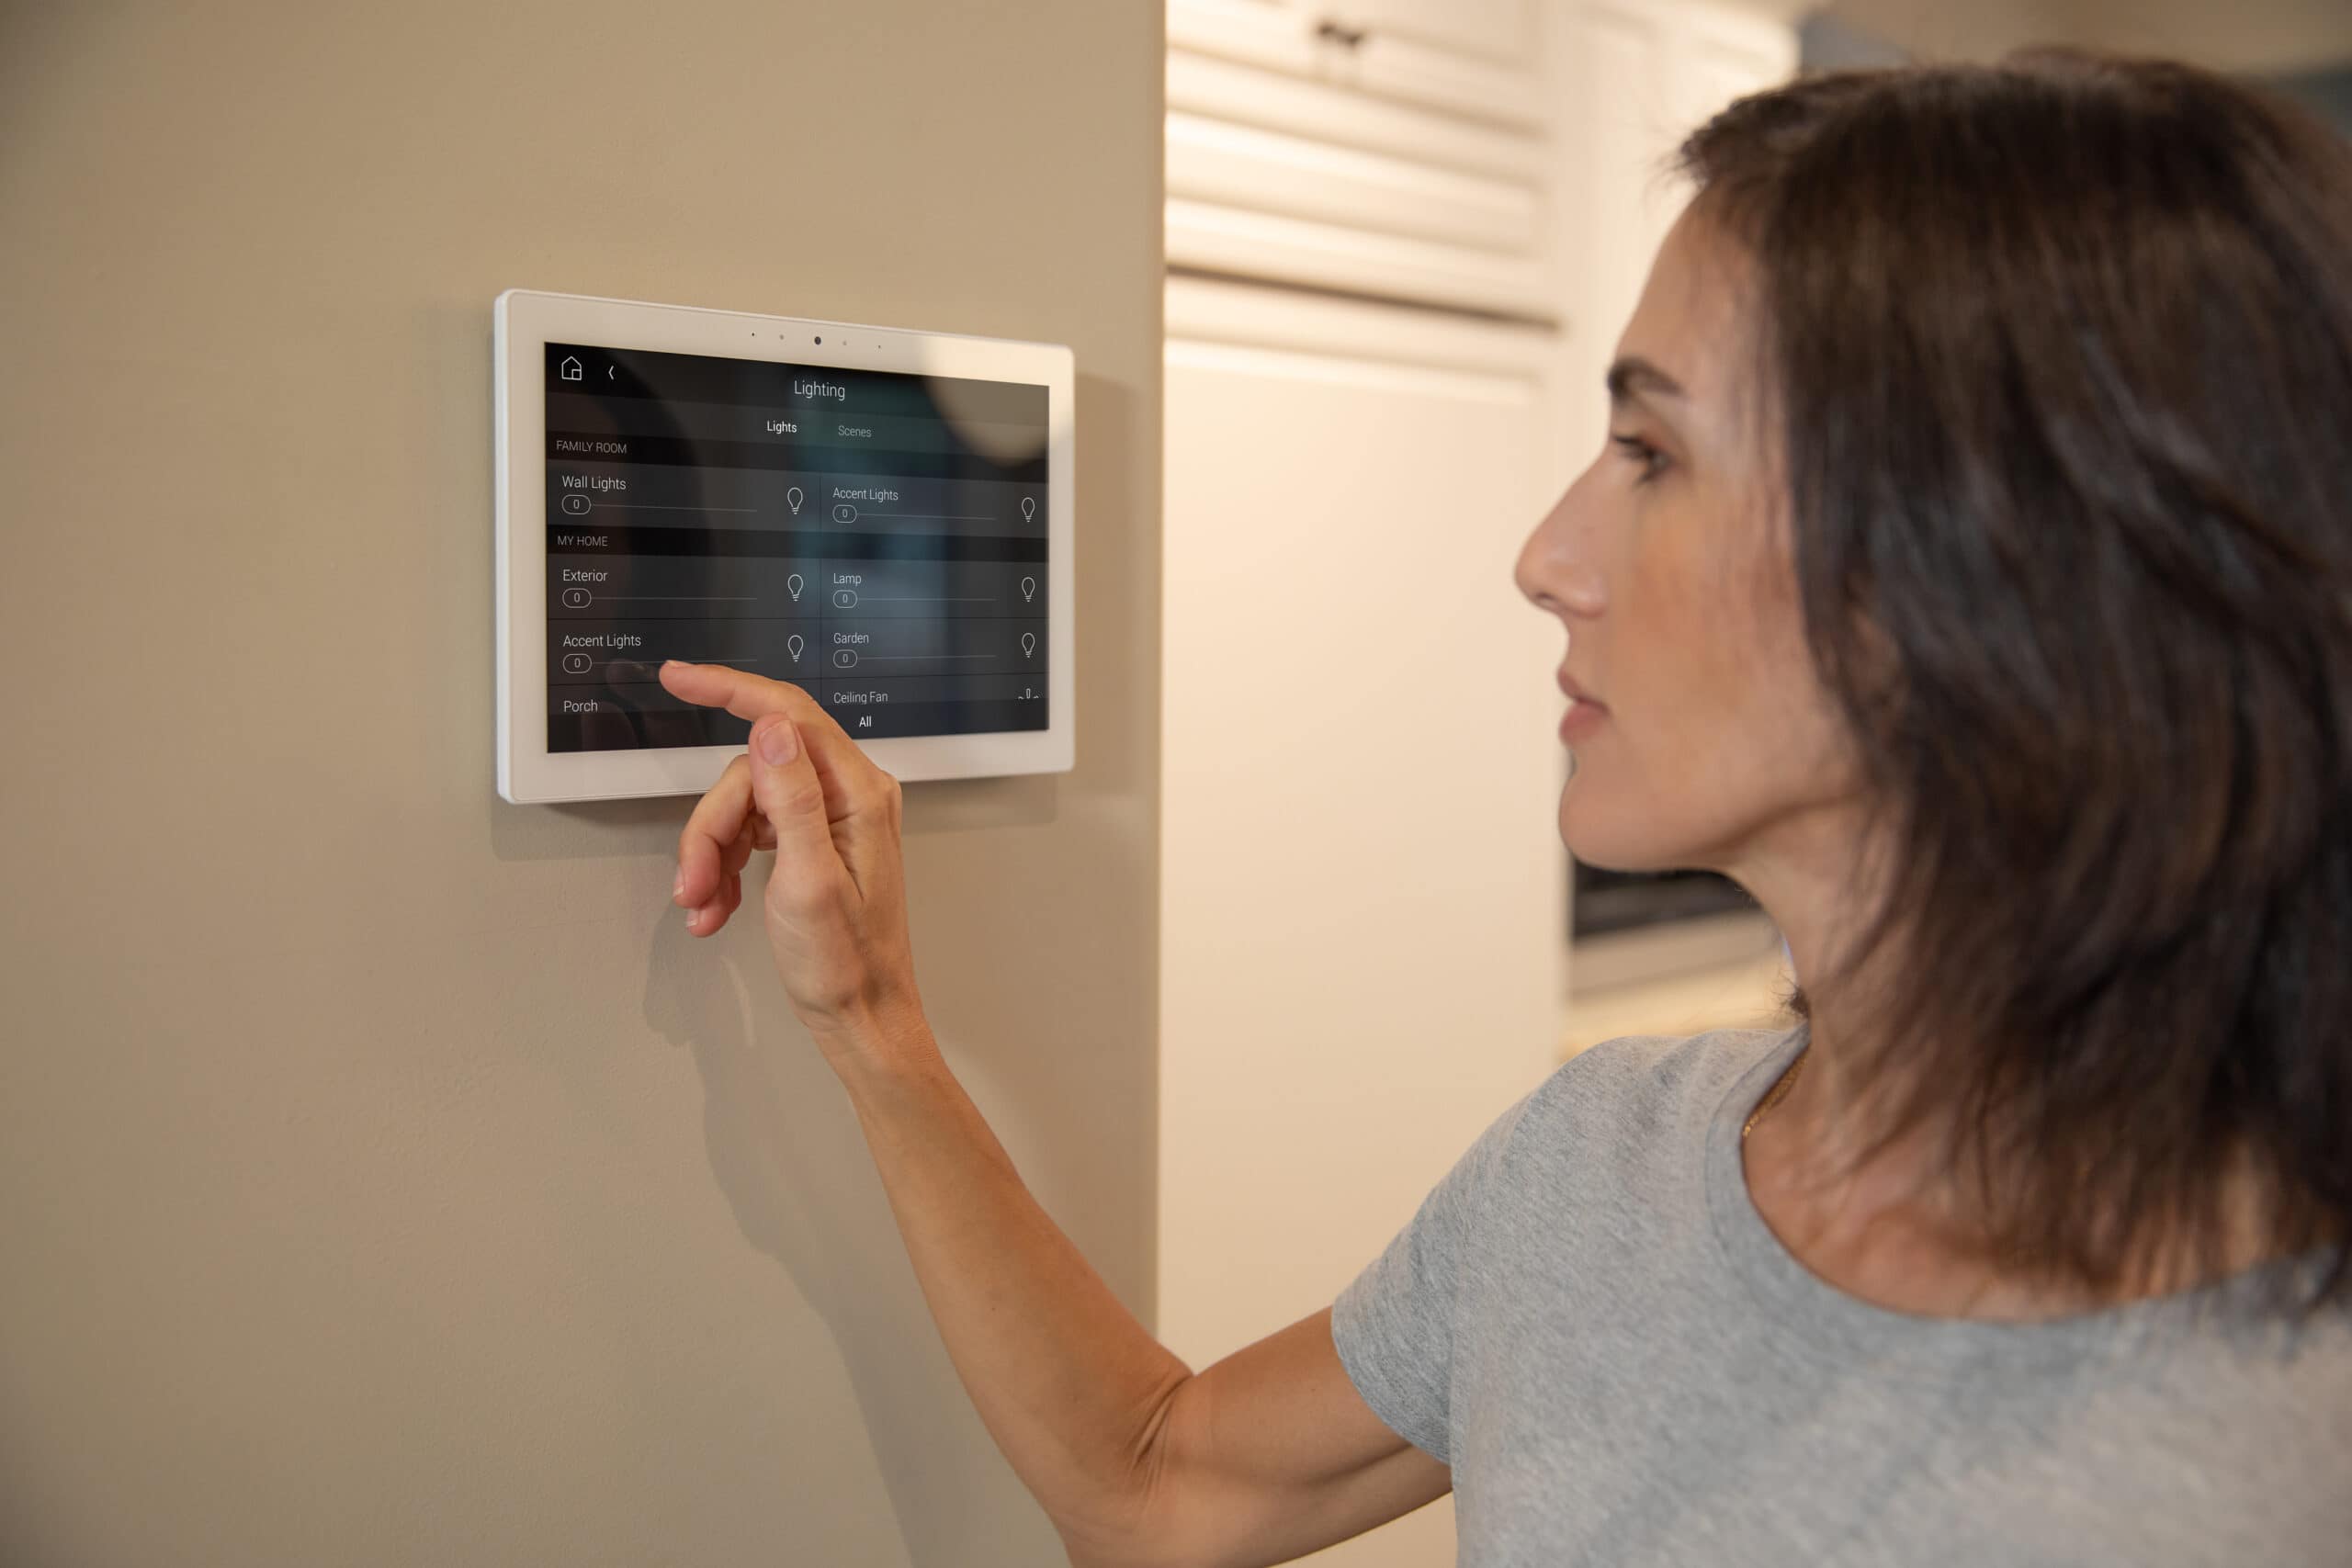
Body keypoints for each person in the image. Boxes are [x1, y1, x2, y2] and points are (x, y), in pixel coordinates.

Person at [654, 50, 2351, 1567]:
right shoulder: (1596, 1165)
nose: (1547, 558)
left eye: (1655, 454)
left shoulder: (2277, 1448)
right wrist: (874, 1019)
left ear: (1992, 569)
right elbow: (1158, 1485)